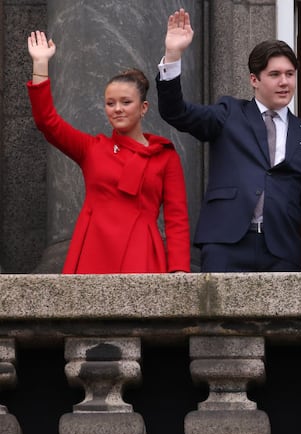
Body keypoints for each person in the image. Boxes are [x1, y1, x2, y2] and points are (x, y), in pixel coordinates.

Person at [156, 8, 301, 272]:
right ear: (254, 80)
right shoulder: (229, 114)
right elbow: (176, 112)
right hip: (225, 244)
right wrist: (174, 56)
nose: (284, 82)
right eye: (275, 74)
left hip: (281, 250)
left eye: (290, 74)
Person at [26, 31, 190, 274]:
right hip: (94, 248)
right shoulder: (92, 148)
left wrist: (179, 272)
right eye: (110, 103)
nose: (117, 109)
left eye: (126, 102)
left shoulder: (164, 156)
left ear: (143, 108)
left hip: (141, 251)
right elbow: (47, 122)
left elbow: (177, 219)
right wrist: (40, 64)